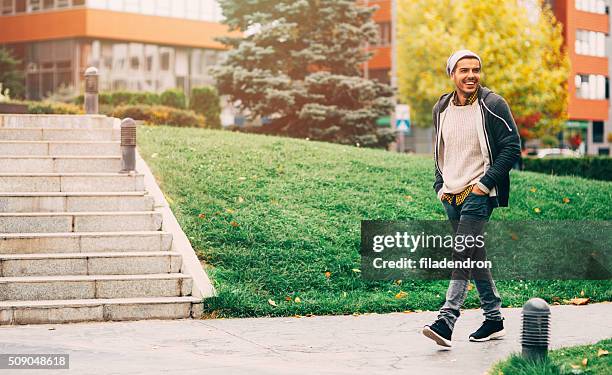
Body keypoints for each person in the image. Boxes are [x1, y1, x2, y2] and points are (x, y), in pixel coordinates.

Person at [421, 50, 521, 348]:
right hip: (450, 194)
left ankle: (446, 319)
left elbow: (512, 147)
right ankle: (493, 317)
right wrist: (439, 183)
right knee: (474, 255)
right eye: (464, 70)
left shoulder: (492, 104)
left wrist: (485, 183)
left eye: (476, 70)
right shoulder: (442, 107)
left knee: (463, 252)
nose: (471, 75)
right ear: (452, 74)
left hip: (479, 192)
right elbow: (441, 147)